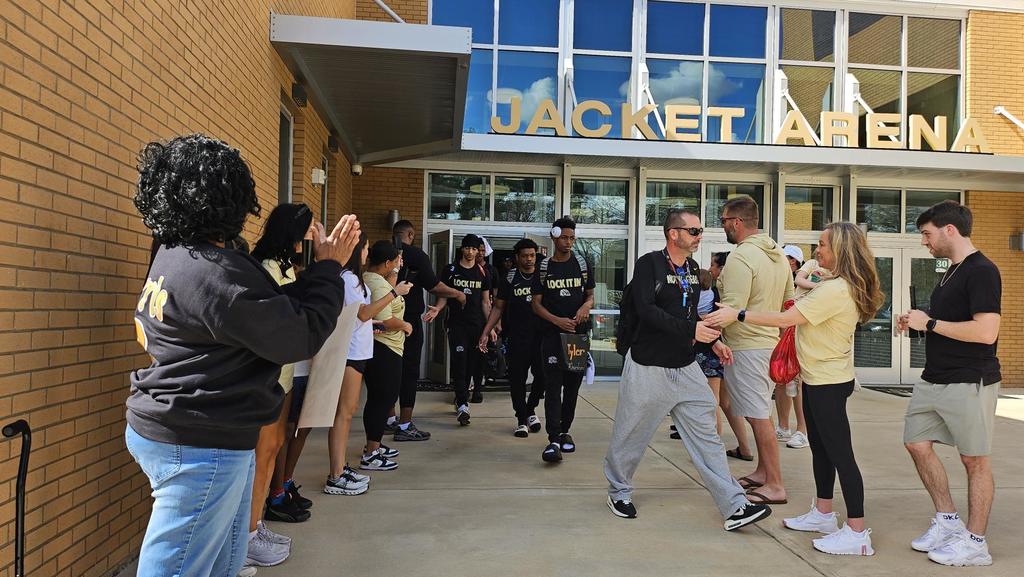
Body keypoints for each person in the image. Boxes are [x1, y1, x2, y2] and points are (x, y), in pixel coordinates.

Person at [128, 134, 359, 577]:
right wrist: (330, 268)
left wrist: (319, 274)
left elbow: (270, 305)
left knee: (224, 561)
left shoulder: (173, 255)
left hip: (185, 425)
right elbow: (299, 335)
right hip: (200, 439)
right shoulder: (215, 274)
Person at [708, 222, 884, 556]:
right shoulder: (834, 283)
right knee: (821, 450)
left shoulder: (836, 290)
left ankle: (857, 532)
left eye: (823, 245)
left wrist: (738, 313)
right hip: (818, 378)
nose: (817, 250)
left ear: (840, 250)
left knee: (841, 456)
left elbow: (785, 320)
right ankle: (823, 513)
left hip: (829, 382)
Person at [604, 209, 771, 531]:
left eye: (700, 230)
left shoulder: (693, 269)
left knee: (708, 436)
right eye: (694, 231)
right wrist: (691, 330)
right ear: (673, 233)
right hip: (648, 366)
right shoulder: (650, 264)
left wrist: (713, 341)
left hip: (685, 366)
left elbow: (690, 313)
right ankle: (619, 491)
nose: (699, 236)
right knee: (630, 435)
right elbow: (646, 310)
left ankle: (735, 505)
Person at [896, 200, 1001, 567]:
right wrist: (919, 321)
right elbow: (948, 322)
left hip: (970, 379)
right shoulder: (949, 271)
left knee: (974, 461)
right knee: (916, 443)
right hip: (935, 377)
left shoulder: (982, 271)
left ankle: (975, 543)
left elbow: (986, 332)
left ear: (949, 230)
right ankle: (948, 521)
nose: (924, 241)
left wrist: (930, 324)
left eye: (927, 234)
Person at [245, 203, 317, 570]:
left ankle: (257, 523)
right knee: (261, 455)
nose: (311, 236)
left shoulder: (288, 266)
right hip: (269, 376)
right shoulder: (267, 267)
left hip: (286, 373)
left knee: (274, 448)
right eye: (307, 229)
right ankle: (247, 535)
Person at [717, 195, 793, 505]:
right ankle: (763, 472)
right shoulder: (778, 255)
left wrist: (705, 330)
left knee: (759, 417)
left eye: (724, 221)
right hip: (769, 344)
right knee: (758, 412)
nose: (723, 226)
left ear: (736, 222)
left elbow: (731, 309)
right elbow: (789, 302)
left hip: (747, 346)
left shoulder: (741, 257)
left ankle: (775, 484)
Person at [325, 234, 410, 492]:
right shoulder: (349, 279)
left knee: (348, 412)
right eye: (364, 248)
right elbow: (363, 313)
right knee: (343, 414)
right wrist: (395, 292)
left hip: (359, 351)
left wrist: (376, 322)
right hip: (350, 353)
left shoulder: (356, 279)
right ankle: (336, 474)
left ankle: (340, 469)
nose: (366, 253)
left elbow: (361, 317)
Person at [390, 220, 467, 441]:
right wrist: (458, 294)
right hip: (408, 321)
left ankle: (388, 419)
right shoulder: (416, 255)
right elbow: (433, 285)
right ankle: (405, 425)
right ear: (411, 234)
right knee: (409, 372)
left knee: (389, 370)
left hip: (383, 319)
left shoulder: (382, 252)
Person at [531, 217, 595, 463]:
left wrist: (585, 307)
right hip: (551, 336)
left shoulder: (582, 264)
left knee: (572, 387)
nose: (568, 242)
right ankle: (553, 439)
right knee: (552, 387)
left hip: (577, 338)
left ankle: (565, 431)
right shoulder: (543, 267)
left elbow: (590, 296)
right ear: (554, 236)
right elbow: (536, 305)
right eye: (564, 237)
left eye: (572, 238)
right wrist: (557, 321)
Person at [478, 238, 545, 437]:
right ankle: (521, 419)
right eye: (524, 256)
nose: (529, 259)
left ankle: (530, 409)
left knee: (542, 377)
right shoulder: (509, 278)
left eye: (532, 255)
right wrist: (486, 331)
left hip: (540, 337)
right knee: (517, 380)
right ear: (517, 257)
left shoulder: (543, 277)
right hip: (517, 337)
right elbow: (498, 307)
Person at [360, 241, 413, 471]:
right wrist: (405, 325)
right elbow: (384, 321)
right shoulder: (379, 285)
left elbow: (388, 294)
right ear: (387, 262)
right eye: (394, 262)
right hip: (385, 348)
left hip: (383, 348)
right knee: (382, 399)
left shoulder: (371, 279)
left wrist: (395, 272)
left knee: (380, 398)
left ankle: (375, 444)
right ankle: (371, 453)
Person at [434, 234, 492, 425]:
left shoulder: (483, 273)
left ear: (478, 251)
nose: (470, 252)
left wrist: (490, 327)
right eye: (467, 248)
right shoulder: (450, 270)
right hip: (456, 324)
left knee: (471, 365)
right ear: (462, 249)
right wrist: (438, 309)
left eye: (474, 249)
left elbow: (485, 302)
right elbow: (443, 295)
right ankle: (462, 404)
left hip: (477, 326)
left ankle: (462, 397)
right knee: (459, 362)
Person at [709, 251, 753, 462]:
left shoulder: (720, 292)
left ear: (722, 268)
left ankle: (713, 453)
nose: (711, 269)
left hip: (717, 348)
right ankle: (745, 448)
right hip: (728, 346)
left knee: (713, 401)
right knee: (726, 403)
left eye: (713, 265)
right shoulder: (731, 290)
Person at [777, 244, 810, 450]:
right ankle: (783, 426)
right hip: (782, 338)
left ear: (794, 262)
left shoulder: (804, 282)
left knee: (797, 384)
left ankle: (803, 431)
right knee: (781, 380)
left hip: (797, 338)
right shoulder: (780, 279)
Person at [470, 236, 500, 402]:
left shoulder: (491, 271)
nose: (480, 253)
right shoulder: (462, 268)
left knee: (480, 355)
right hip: (466, 319)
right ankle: (463, 390)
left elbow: (496, 299)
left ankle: (478, 388)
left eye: (483, 250)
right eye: (478, 250)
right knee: (465, 357)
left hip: (485, 319)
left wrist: (496, 322)